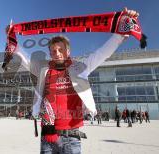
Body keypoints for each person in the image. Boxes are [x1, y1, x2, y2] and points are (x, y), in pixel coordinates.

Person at [12, 8, 139, 154]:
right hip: (47, 135)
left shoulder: (80, 67)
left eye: (61, 49)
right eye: (53, 51)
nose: (57, 53)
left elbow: (103, 53)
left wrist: (121, 30)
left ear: (68, 51)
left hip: (71, 137)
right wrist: (12, 40)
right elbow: (26, 61)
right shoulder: (44, 70)